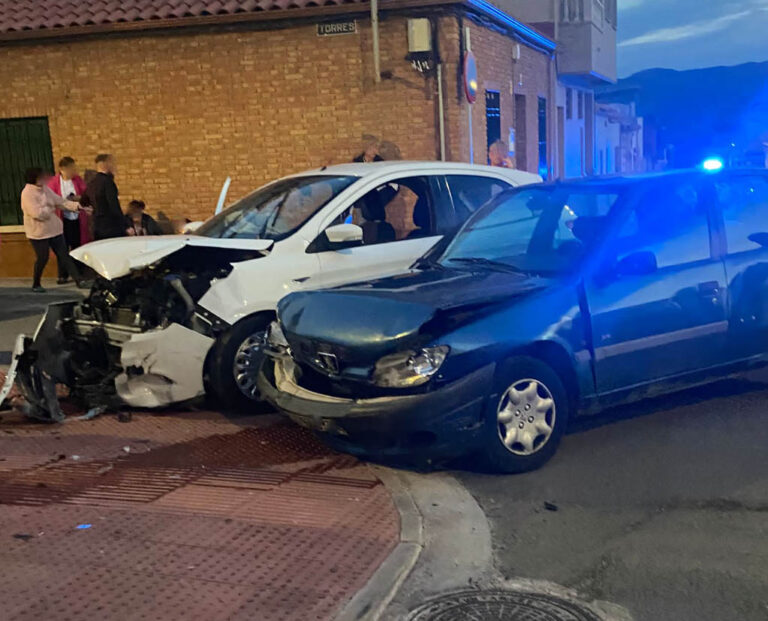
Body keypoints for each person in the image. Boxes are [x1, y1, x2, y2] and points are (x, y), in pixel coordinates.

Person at [21, 167, 91, 293]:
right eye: (41, 177)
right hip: (39, 233)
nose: (44, 179)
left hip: (54, 229)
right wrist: (51, 207)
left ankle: (79, 280)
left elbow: (60, 201)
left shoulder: (45, 189)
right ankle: (36, 283)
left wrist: (79, 207)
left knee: (64, 255)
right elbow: (37, 213)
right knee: (43, 257)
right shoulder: (27, 193)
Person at [47, 156, 89, 284]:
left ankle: (79, 272)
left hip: (76, 217)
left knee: (77, 244)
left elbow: (86, 195)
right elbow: (51, 199)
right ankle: (62, 274)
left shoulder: (77, 181)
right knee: (63, 247)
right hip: (62, 218)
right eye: (70, 169)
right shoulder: (54, 182)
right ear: (62, 169)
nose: (73, 171)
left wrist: (78, 198)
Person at [86, 153, 125, 240]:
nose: (114, 166)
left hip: (97, 225)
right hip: (111, 226)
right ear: (106, 164)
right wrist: (125, 225)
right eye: (112, 163)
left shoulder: (91, 183)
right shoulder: (108, 182)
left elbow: (84, 201)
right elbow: (114, 205)